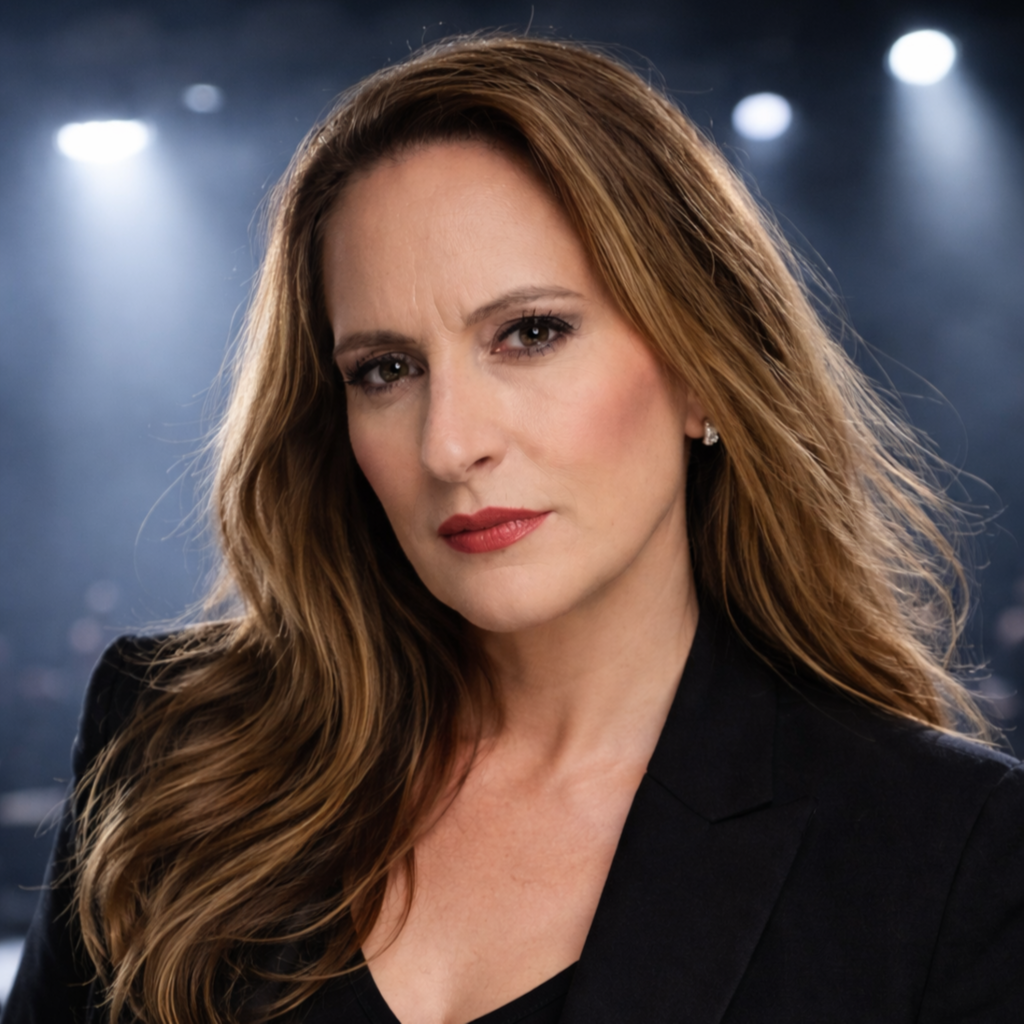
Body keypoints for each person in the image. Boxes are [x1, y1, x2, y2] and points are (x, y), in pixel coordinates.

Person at [4, 33, 1024, 1024]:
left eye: (530, 334)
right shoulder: (174, 743)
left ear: (702, 371)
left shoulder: (945, 851)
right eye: (385, 370)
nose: (449, 444)